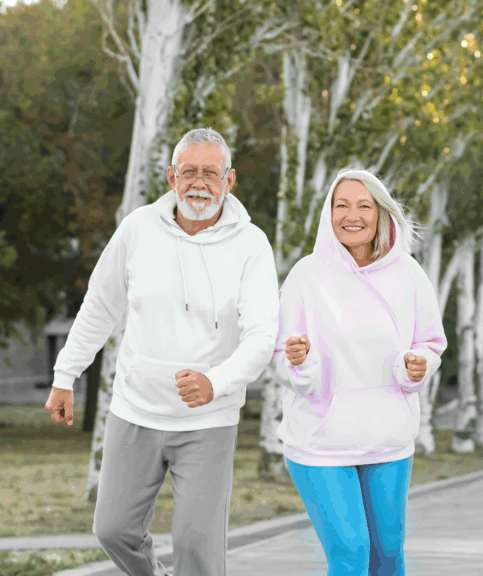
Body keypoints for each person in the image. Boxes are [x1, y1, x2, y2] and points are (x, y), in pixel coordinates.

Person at [43, 128, 279, 575]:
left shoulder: (252, 246)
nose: (199, 183)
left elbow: (261, 336)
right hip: (136, 409)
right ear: (172, 177)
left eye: (211, 173)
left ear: (230, 181)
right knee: (113, 530)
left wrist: (216, 382)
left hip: (209, 418)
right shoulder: (136, 229)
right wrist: (64, 375)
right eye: (189, 171)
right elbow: (99, 306)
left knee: (197, 548)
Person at [273, 168, 447, 576]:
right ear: (328, 213)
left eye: (364, 205)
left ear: (381, 213)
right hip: (321, 442)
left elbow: (430, 343)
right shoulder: (306, 276)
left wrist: (417, 366)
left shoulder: (408, 273)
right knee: (351, 553)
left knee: (387, 554)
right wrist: (300, 362)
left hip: (388, 440)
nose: (352, 215)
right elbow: (281, 353)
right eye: (342, 205)